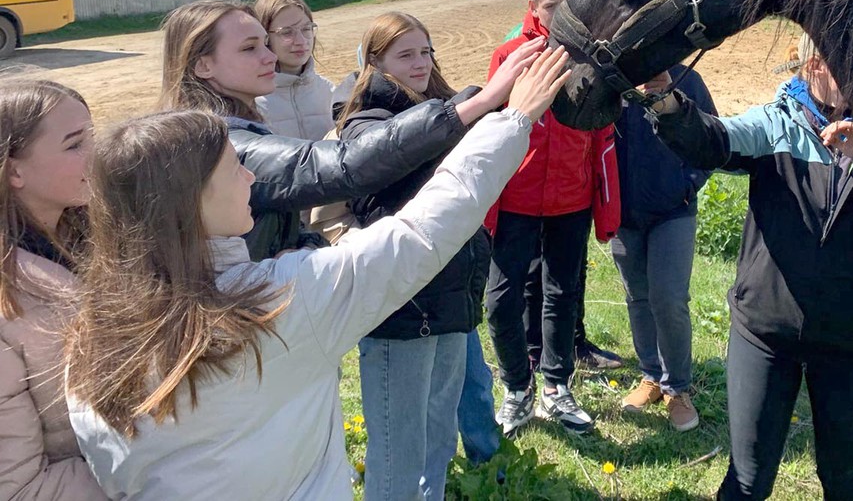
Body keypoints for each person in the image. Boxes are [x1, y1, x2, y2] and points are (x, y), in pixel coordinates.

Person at [65, 47, 571, 501]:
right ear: (188, 204)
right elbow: (423, 230)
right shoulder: (280, 303)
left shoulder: (88, 339)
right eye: (231, 168)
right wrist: (514, 120)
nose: (248, 176)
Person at [645, 41, 853, 501]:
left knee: (844, 480)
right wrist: (667, 104)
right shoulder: (775, 124)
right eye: (828, 59)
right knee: (748, 480)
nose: (841, 73)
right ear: (808, 63)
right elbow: (712, 140)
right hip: (765, 333)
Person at [158, 0, 541, 260]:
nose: (270, 55)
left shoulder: (235, 128)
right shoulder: (222, 143)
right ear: (202, 66)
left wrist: (307, 248)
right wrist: (480, 102)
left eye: (264, 43)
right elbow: (344, 164)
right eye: (249, 48)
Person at [336, 12, 496, 500]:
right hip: (403, 309)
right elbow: (390, 157)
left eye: (426, 51)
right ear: (374, 64)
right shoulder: (364, 124)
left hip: (450, 300)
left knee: (438, 438)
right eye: (405, 54)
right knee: (398, 449)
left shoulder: (443, 109)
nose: (420, 63)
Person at [486, 0, 620, 437]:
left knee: (563, 294)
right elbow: (493, 126)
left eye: (571, 6)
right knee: (501, 299)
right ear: (533, 8)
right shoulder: (509, 56)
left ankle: (557, 386)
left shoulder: (595, 58)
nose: (561, 15)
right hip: (517, 195)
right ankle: (517, 388)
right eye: (551, 6)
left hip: (571, 197)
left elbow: (602, 128)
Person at [0, 78, 107, 501]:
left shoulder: (106, 240)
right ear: (14, 170)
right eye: (74, 144)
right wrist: (154, 469)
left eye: (93, 136)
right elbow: (19, 487)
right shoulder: (9, 298)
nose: (96, 155)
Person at [612, 65, 716, 432]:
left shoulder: (687, 80)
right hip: (624, 215)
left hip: (674, 210)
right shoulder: (613, 80)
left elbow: (710, 138)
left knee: (669, 298)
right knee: (638, 297)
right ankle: (651, 376)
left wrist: (687, 184)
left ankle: (678, 389)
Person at [254, 0, 335, 141]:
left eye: (306, 29)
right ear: (264, 37)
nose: (301, 41)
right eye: (286, 32)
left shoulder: (329, 92)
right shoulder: (253, 103)